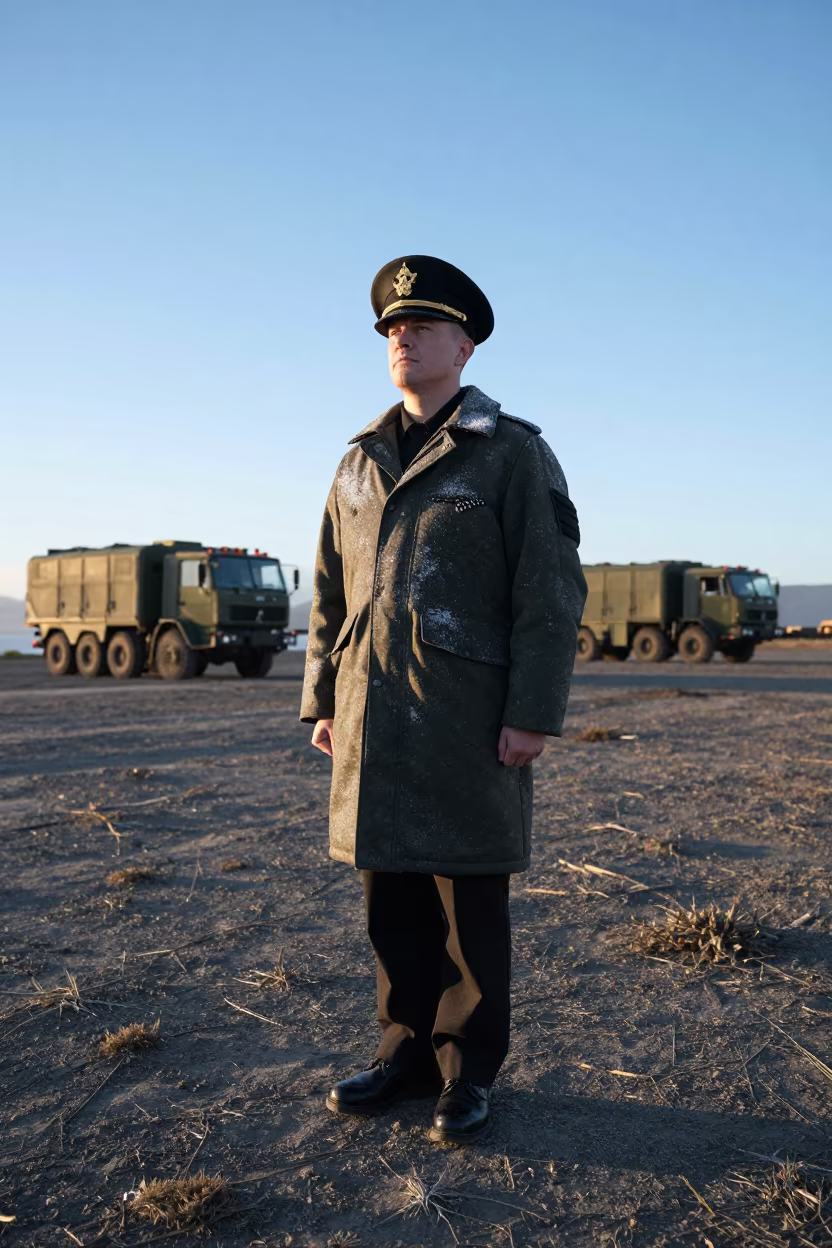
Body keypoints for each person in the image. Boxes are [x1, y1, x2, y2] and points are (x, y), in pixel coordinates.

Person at [300, 255, 587, 1144]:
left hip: (466, 715)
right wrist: (323, 700)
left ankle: (466, 1070)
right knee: (389, 897)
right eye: (393, 328)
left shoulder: (511, 452)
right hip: (373, 713)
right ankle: (404, 1055)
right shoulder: (357, 462)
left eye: (422, 326)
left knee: (468, 902)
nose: (403, 338)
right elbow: (331, 591)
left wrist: (532, 711)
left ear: (464, 347)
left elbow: (550, 592)